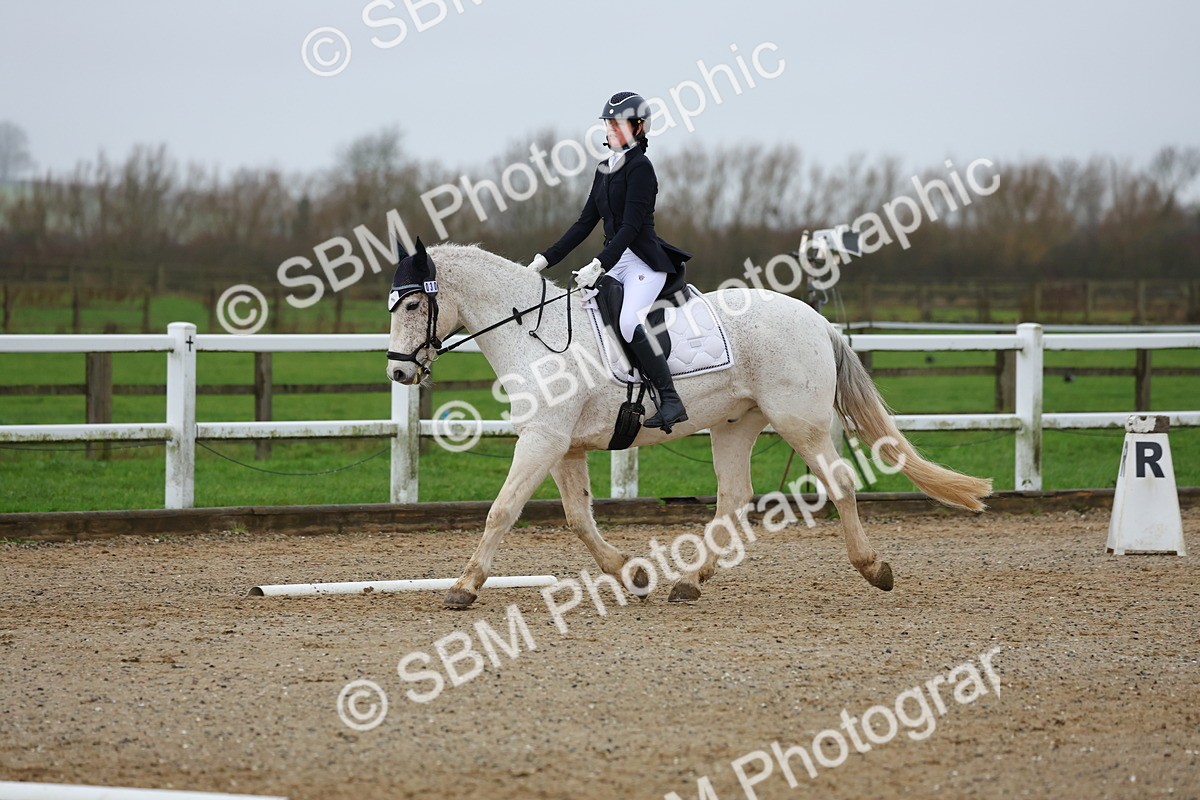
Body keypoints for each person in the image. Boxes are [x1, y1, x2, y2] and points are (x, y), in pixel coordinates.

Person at [527, 91, 691, 430]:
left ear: (638, 128)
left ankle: (671, 399)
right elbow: (584, 223)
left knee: (629, 322)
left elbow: (630, 227)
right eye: (608, 124)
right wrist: (545, 259)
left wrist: (600, 263)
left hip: (644, 264)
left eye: (618, 125)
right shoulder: (604, 168)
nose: (611, 130)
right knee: (585, 313)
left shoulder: (641, 168)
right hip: (616, 261)